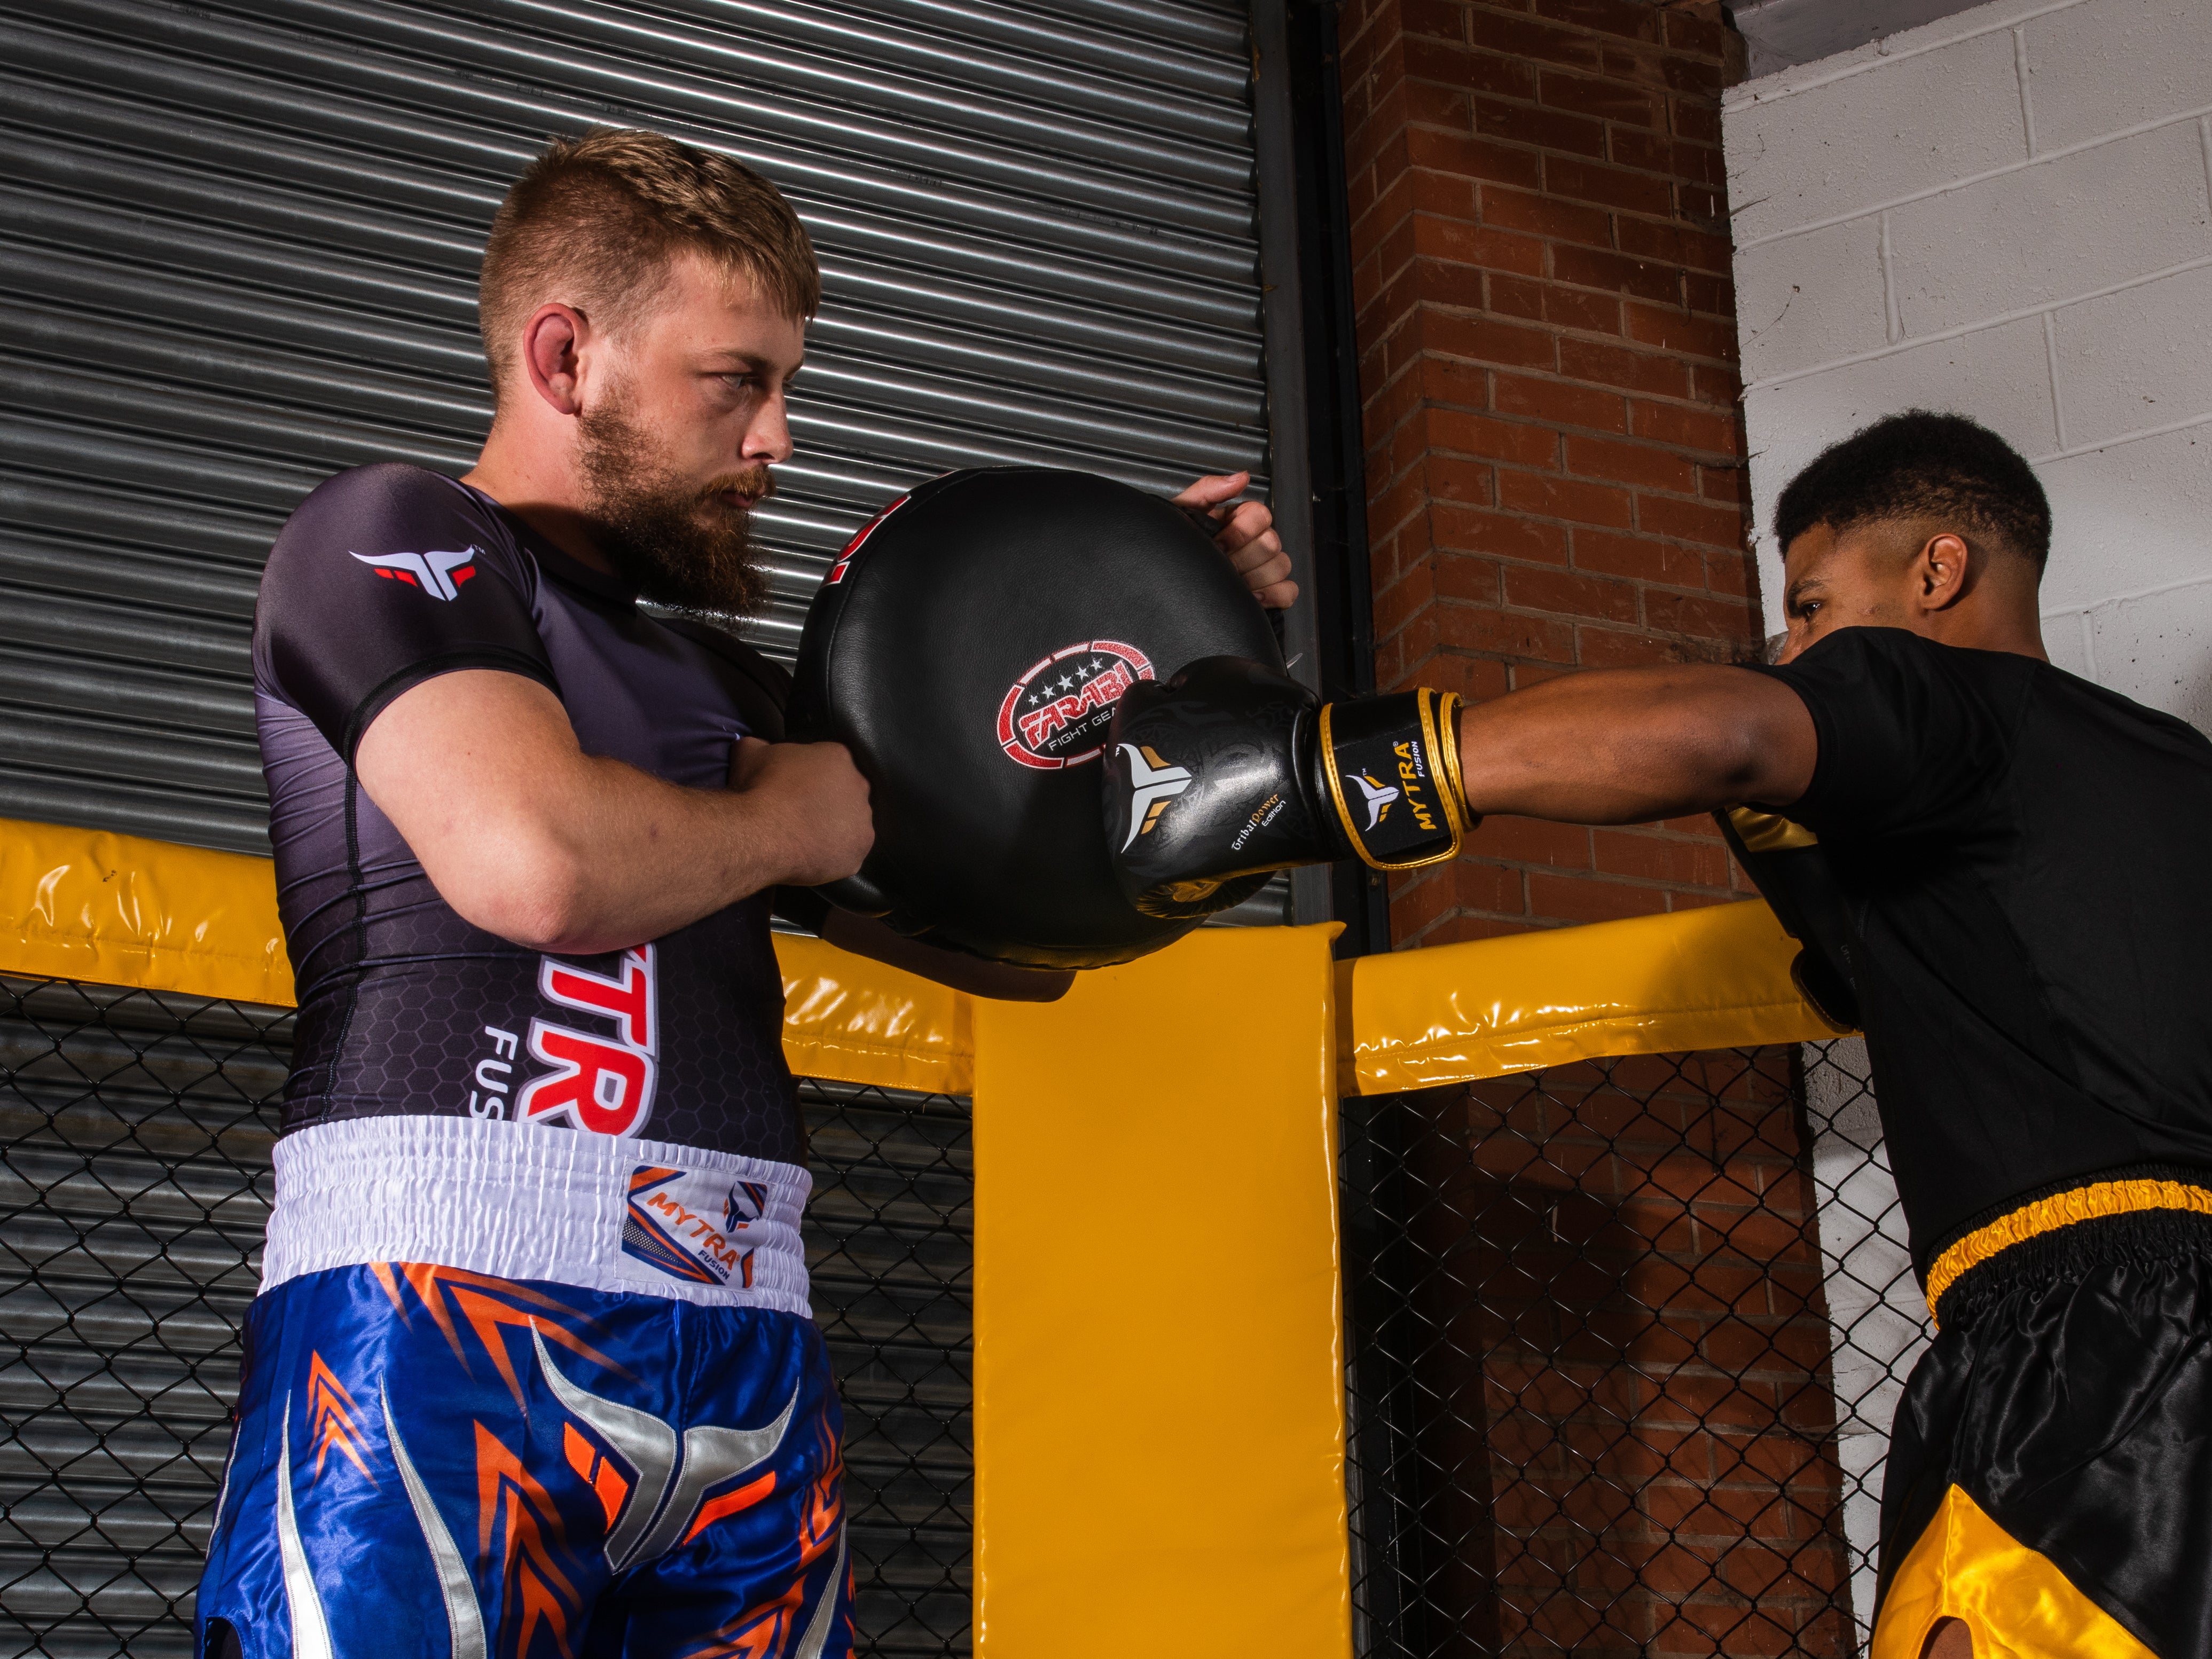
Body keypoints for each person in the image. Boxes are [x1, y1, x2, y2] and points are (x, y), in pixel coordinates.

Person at [195, 127, 1293, 1659]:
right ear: (565, 355)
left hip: (741, 1328)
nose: (775, 435)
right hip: (439, 1309)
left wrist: (1155, 631)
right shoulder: (390, 536)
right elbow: (535, 864)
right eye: (737, 380)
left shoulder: (718, 677)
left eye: (785, 386)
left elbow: (1018, 950)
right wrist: (782, 821)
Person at [1125, 410, 2212, 1657]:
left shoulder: (1931, 690)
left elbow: (1726, 730)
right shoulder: (2165, 770)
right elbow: (1948, 977)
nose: (1795, 646)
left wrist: (1309, 772)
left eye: (1809, 607)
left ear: (1936, 573)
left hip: (2091, 1350)